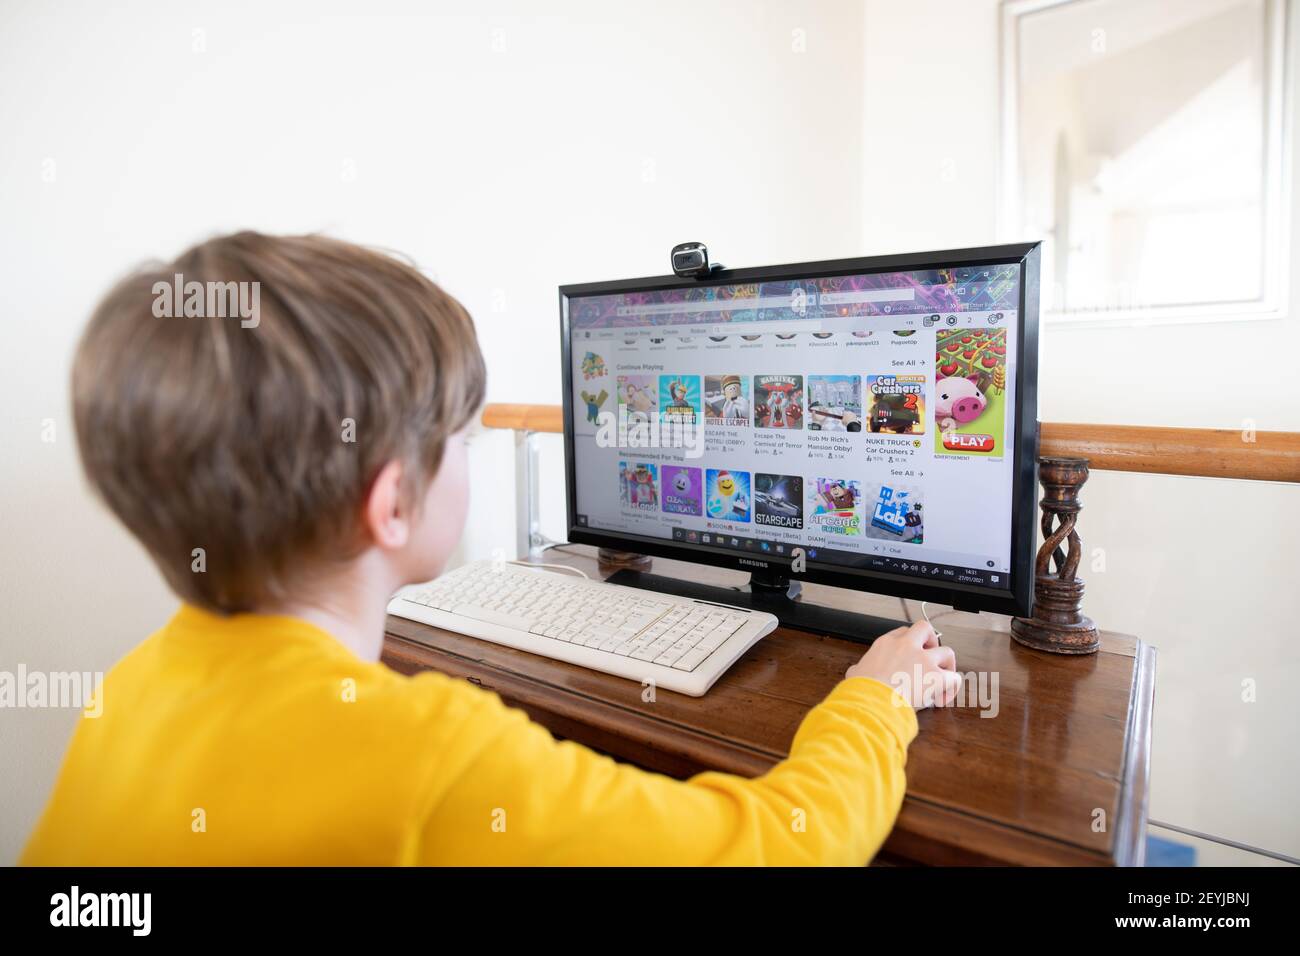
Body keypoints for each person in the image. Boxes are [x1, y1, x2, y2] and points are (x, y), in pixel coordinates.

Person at [22, 232, 960, 866]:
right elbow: (780, 843)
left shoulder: (130, 690)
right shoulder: (429, 754)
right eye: (463, 440)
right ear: (391, 502)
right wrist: (875, 700)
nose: (469, 458)